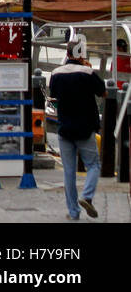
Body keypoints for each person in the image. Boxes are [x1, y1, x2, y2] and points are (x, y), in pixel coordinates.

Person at [48, 41, 106, 219]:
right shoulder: (88, 73)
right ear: (81, 54)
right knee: (93, 165)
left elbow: (54, 95)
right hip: (85, 127)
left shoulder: (56, 73)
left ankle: (73, 212)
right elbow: (103, 92)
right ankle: (87, 195)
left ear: (67, 53)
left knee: (68, 172)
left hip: (64, 128)